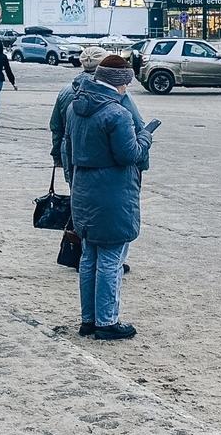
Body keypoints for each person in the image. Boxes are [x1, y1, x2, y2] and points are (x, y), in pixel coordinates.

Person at [63, 55, 153, 341]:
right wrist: (146, 137)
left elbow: (66, 147)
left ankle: (88, 319)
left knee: (89, 255)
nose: (128, 88)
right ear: (120, 82)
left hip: (83, 187)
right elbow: (130, 155)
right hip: (112, 191)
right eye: (127, 82)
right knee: (112, 258)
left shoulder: (75, 108)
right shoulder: (117, 113)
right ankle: (107, 320)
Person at [50, 46, 147, 274]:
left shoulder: (67, 92)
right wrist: (142, 159)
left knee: (83, 208)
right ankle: (110, 262)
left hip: (75, 157)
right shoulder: (116, 96)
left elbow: (56, 126)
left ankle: (79, 253)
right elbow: (135, 129)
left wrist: (58, 156)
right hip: (108, 168)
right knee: (108, 221)